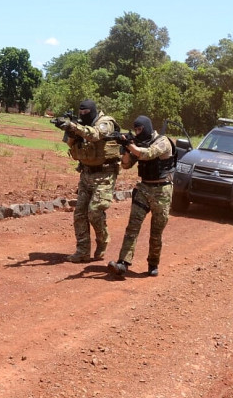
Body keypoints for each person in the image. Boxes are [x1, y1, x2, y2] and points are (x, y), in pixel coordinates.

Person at [54, 99, 121, 263]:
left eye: (86, 113)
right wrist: (70, 131)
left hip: (104, 174)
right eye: (80, 113)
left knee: (95, 211)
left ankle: (103, 239)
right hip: (86, 173)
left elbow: (96, 134)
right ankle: (82, 251)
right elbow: (70, 144)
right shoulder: (79, 124)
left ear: (93, 111)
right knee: (80, 213)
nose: (83, 116)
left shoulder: (106, 122)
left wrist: (73, 126)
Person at [108, 115, 175, 277]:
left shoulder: (163, 141)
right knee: (132, 227)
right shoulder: (136, 143)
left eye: (140, 129)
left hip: (162, 191)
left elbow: (147, 154)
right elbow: (126, 165)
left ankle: (153, 263)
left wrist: (130, 144)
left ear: (147, 128)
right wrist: (124, 148)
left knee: (156, 232)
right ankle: (123, 263)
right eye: (135, 130)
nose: (137, 133)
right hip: (144, 188)